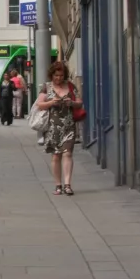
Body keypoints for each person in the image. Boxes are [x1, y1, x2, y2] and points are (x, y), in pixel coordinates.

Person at [35, 62, 82, 195]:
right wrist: (51, 103)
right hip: (53, 127)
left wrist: (71, 103)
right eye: (56, 75)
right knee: (56, 156)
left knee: (67, 153)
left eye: (61, 75)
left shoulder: (71, 86)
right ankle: (58, 185)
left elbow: (79, 103)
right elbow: (39, 104)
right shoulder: (46, 87)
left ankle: (67, 184)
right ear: (52, 75)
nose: (58, 78)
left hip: (69, 125)